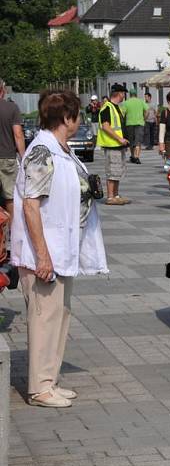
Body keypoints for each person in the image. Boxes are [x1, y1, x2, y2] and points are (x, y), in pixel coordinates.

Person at [11, 90, 108, 408]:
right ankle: (39, 389)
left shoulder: (60, 149)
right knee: (44, 319)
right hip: (45, 252)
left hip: (62, 249)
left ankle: (49, 380)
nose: (80, 121)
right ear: (66, 118)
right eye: (77, 115)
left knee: (60, 315)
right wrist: (41, 255)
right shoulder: (42, 151)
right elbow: (30, 206)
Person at [97, 83, 130, 205]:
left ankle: (116, 195)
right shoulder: (107, 107)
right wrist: (119, 139)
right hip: (112, 145)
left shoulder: (116, 107)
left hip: (118, 145)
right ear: (120, 94)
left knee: (118, 171)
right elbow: (105, 126)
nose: (124, 96)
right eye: (123, 93)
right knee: (112, 171)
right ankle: (110, 197)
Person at [0, 78, 26, 226]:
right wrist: (23, 157)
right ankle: (13, 230)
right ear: (2, 90)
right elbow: (18, 134)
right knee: (10, 196)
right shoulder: (12, 108)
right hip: (7, 158)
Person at [121, 90, 147, 164]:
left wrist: (123, 121)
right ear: (136, 94)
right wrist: (144, 118)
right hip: (140, 123)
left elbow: (122, 113)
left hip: (129, 124)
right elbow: (147, 111)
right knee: (138, 141)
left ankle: (132, 155)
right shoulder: (141, 101)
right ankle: (137, 157)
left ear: (130, 95)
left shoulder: (126, 102)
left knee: (131, 141)